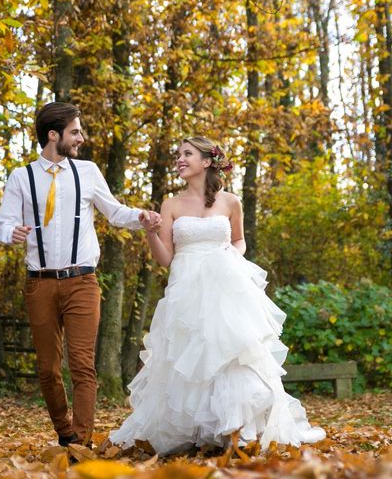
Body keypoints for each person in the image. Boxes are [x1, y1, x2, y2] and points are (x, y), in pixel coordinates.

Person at [109, 136, 325, 455]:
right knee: (188, 354)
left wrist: (229, 258)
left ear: (207, 162)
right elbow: (165, 259)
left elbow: (239, 242)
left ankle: (236, 427)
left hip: (224, 284)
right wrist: (151, 234)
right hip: (186, 288)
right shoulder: (170, 204)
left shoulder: (230, 202)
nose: (180, 159)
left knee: (230, 352)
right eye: (178, 154)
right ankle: (193, 430)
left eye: (187, 154)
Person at [0, 102, 161, 447]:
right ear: (53, 135)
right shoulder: (20, 177)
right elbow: (4, 224)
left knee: (83, 367)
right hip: (39, 283)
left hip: (82, 282)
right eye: (75, 131)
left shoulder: (87, 172)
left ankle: (80, 444)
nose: (81, 138)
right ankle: (64, 430)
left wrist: (141, 216)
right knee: (48, 370)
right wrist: (10, 233)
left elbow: (115, 212)